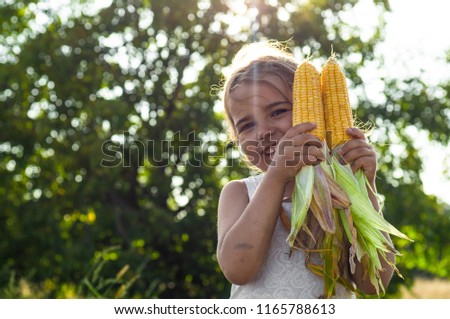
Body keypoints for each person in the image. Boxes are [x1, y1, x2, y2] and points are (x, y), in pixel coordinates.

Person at [216, 41, 395, 299]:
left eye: (277, 112)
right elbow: (238, 269)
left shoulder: (342, 193)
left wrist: (364, 186)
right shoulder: (240, 193)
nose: (263, 131)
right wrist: (277, 176)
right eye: (246, 125)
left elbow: (373, 282)